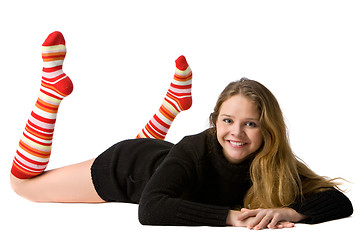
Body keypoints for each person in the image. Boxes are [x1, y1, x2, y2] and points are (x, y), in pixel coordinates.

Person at [10, 31, 353, 230]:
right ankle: (49, 93)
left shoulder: (273, 163)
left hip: (157, 154)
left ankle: (173, 102)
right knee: (23, 184)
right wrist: (229, 217)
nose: (237, 133)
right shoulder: (196, 147)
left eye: (251, 124)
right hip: (124, 170)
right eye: (228, 121)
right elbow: (150, 209)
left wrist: (290, 211)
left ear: (269, 131)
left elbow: (340, 202)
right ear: (214, 120)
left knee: (153, 151)